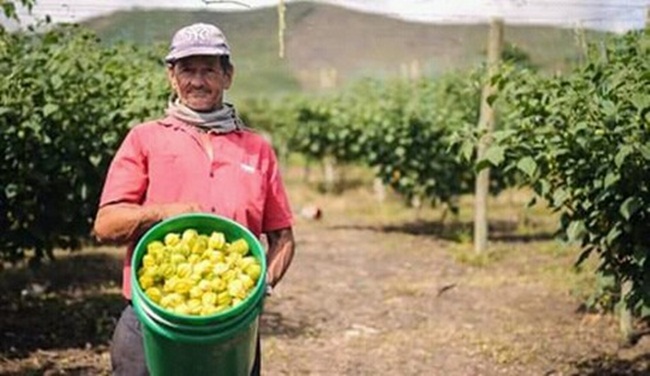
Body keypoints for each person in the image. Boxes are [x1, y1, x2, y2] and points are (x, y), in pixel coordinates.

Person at [93, 22, 296, 376]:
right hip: (152, 322)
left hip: (232, 329)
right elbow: (106, 225)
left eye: (209, 70)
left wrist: (258, 289)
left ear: (228, 75)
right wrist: (163, 213)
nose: (198, 81)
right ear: (172, 77)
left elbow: (282, 238)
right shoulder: (145, 139)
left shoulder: (256, 148)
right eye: (187, 70)